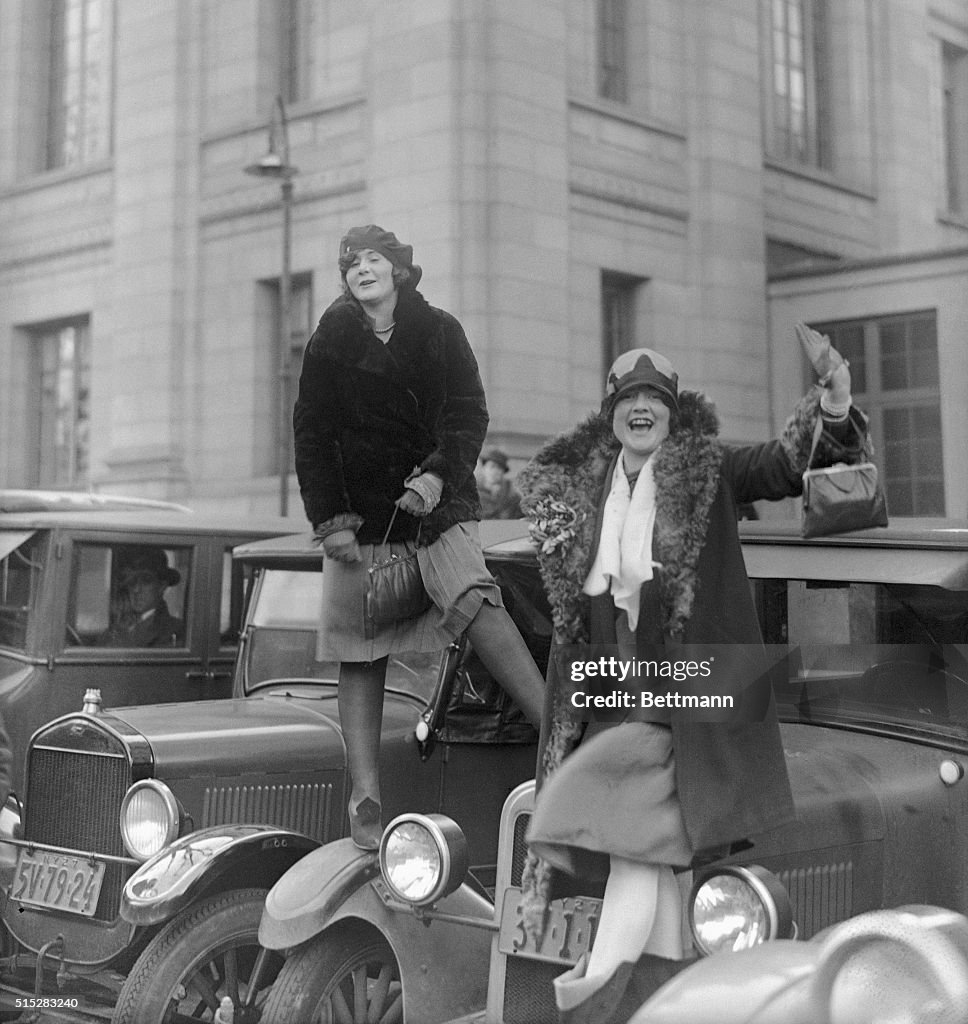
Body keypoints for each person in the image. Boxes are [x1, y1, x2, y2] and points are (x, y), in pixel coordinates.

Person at [515, 326, 865, 1024]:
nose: (640, 408)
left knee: (631, 853)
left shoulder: (707, 471)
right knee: (651, 867)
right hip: (611, 696)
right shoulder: (585, 488)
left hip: (685, 702)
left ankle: (586, 1003)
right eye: (628, 398)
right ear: (609, 411)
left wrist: (831, 406)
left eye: (654, 397)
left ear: (675, 412)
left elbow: (782, 464)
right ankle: (671, 1003)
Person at [293, 224, 545, 850]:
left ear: (400, 270)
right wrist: (332, 519)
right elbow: (310, 431)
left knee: (475, 600)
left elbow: (468, 412)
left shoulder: (441, 331)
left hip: (436, 504)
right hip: (363, 517)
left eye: (373, 260)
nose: (362, 270)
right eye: (351, 264)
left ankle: (556, 730)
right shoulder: (329, 338)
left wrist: (437, 475)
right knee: (359, 645)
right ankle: (366, 794)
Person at [100, 547, 184, 647]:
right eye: (132, 582)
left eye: (146, 581)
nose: (136, 590)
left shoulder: (175, 631)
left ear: (162, 586)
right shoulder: (117, 627)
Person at [476, 447, 523, 519]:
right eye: (492, 466)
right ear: (483, 468)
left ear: (503, 472)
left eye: (499, 468)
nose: (495, 472)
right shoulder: (473, 495)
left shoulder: (512, 497)